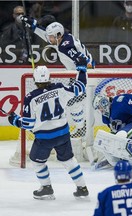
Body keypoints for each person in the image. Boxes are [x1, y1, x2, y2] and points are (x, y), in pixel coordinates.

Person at [7, 57, 89, 200]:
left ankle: (46, 188)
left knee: (37, 161)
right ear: (49, 77)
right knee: (69, 160)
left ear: (34, 80)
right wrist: (81, 68)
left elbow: (28, 124)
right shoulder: (59, 88)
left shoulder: (30, 98)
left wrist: (14, 120)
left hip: (45, 139)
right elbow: (80, 87)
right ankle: (82, 188)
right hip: (63, 134)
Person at [20, 15, 95, 137]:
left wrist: (84, 71)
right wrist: (32, 24)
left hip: (85, 75)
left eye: (51, 37)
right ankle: (82, 128)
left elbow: (84, 62)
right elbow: (44, 33)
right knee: (74, 102)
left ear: (58, 35)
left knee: (74, 102)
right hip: (77, 73)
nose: (48, 38)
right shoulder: (62, 38)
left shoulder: (66, 46)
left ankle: (82, 128)